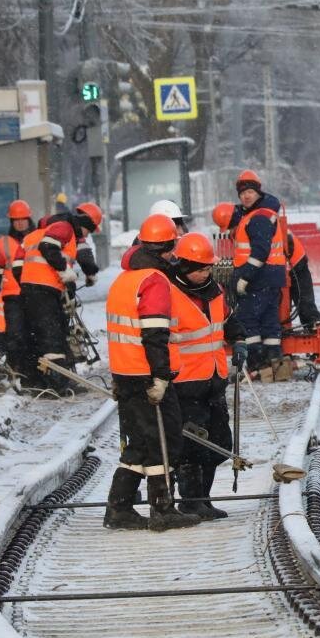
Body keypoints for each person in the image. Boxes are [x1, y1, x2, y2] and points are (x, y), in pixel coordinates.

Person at [102, 214, 200, 532]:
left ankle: (120, 506)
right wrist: (160, 376)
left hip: (126, 372)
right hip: (147, 373)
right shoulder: (154, 281)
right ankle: (162, 508)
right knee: (163, 440)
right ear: (169, 247)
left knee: (140, 442)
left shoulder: (124, 279)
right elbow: (154, 334)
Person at [168, 233, 246, 521]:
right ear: (185, 267)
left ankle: (205, 498)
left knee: (218, 443)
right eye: (200, 269)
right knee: (192, 445)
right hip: (186, 383)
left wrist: (239, 340)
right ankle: (191, 500)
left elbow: (228, 321)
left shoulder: (214, 292)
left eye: (207, 268)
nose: (205, 274)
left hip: (213, 380)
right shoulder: (170, 295)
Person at [20, 202, 103, 392]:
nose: (85, 237)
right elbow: (49, 249)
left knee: (44, 335)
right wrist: (64, 269)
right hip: (43, 288)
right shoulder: (65, 228)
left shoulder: (42, 231)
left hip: (36, 288)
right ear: (85, 226)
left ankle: (42, 381)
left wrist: (72, 282)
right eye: (88, 232)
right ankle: (59, 385)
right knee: (52, 336)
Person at [230, 169, 287, 372]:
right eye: (242, 193)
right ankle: (275, 364)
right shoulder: (266, 213)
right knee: (270, 321)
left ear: (258, 193)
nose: (246, 196)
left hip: (258, 278)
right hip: (272, 277)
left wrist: (245, 277)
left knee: (248, 319)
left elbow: (260, 251)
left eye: (250, 192)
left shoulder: (258, 217)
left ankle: (257, 364)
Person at [0, 200, 35, 380]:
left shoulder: (37, 239)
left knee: (38, 337)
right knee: (16, 337)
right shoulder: (2, 244)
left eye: (23, 219)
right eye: (16, 220)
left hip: (37, 296)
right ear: (11, 222)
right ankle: (18, 374)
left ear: (29, 219)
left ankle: (37, 375)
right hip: (13, 297)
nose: (20, 223)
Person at [284, 228, 320, 329]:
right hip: (293, 261)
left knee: (305, 303)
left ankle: (315, 324)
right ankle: (314, 322)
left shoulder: (265, 222)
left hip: (296, 263)